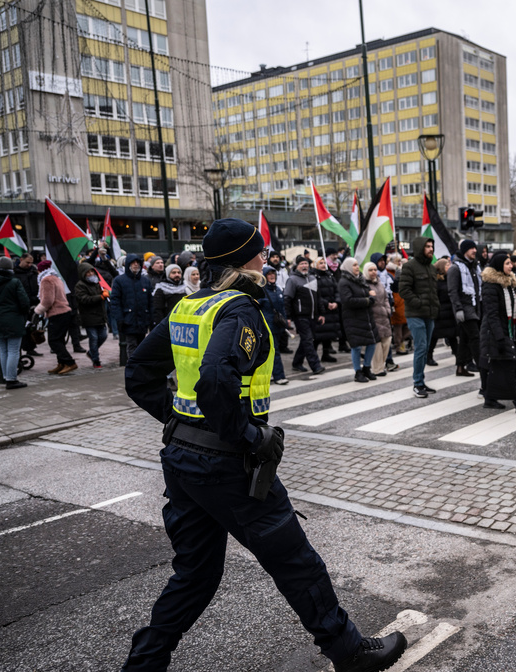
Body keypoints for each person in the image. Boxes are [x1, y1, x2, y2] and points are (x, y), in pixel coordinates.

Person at [121, 219, 406, 671]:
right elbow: (215, 379)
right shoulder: (239, 310)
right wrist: (248, 435)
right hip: (227, 463)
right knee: (295, 560)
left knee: (195, 574)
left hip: (182, 458)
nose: (265, 256)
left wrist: (180, 422)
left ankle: (144, 663)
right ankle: (349, 652)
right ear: (243, 260)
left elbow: (138, 375)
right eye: (259, 250)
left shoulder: (189, 308)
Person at [479, 253, 516, 413]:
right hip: (496, 332)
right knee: (506, 366)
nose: (511, 266)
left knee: (505, 365)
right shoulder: (491, 285)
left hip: (509, 329)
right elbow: (492, 315)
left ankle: (490, 399)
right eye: (507, 263)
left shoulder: (508, 283)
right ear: (498, 266)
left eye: (511, 263)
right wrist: (500, 337)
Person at [397, 236, 440, 398]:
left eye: (432, 246)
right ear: (420, 248)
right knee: (421, 348)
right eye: (428, 246)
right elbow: (404, 290)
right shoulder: (409, 267)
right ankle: (417, 383)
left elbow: (433, 291)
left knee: (425, 348)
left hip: (429, 314)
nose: (431, 249)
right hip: (415, 313)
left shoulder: (430, 267)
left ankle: (421, 381)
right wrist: (419, 302)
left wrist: (435, 306)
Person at [0, 256, 30, 388]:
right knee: (13, 350)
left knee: (3, 351)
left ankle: (5, 378)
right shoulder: (14, 282)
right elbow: (24, 302)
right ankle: (11, 379)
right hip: (14, 319)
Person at [337, 257, 379, 383]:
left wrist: (370, 295)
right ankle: (357, 372)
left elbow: (367, 292)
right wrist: (367, 300)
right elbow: (348, 301)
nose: (357, 267)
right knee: (356, 346)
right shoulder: (344, 282)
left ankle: (367, 368)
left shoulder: (360, 279)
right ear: (349, 267)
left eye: (357, 265)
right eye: (354, 265)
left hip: (366, 316)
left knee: (372, 342)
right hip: (353, 318)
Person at [284, 256, 325, 375]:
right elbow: (287, 298)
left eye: (306, 264)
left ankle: (297, 363)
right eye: (302, 264)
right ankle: (315, 365)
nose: (304, 266)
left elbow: (318, 297)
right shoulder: (292, 280)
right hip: (300, 316)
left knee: (306, 340)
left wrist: (321, 313)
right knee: (308, 340)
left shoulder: (312, 278)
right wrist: (288, 317)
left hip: (313, 315)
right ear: (297, 266)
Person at [35, 260, 77, 375]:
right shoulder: (56, 278)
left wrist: (37, 310)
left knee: (54, 341)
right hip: (64, 312)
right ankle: (61, 363)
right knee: (60, 340)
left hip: (57, 312)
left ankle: (69, 362)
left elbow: (48, 300)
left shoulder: (46, 280)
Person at [109, 254, 154, 365]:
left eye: (137, 263)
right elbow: (115, 301)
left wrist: (151, 318)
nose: (135, 265)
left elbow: (150, 301)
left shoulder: (145, 281)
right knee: (132, 345)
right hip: (128, 319)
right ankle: (134, 367)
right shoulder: (120, 281)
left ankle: (139, 366)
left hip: (142, 319)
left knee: (141, 345)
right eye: (133, 263)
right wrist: (120, 319)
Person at [447, 239, 482, 377]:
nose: (475, 250)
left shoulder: (474, 266)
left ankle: (460, 367)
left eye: (475, 248)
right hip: (465, 308)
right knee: (475, 337)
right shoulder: (456, 268)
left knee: (465, 338)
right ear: (464, 251)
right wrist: (458, 309)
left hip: (474, 307)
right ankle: (482, 365)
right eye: (471, 248)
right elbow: (452, 291)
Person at [73, 262, 109, 369]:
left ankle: (92, 352)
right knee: (93, 338)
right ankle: (96, 360)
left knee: (103, 336)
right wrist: (100, 297)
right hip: (89, 317)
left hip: (100, 315)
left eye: (91, 271)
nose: (90, 274)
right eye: (87, 272)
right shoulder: (80, 285)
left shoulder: (97, 283)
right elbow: (84, 299)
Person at [261, 265, 290, 385]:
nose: (272, 276)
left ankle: (270, 374)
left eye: (274, 273)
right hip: (268, 326)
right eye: (269, 274)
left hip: (278, 325)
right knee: (274, 351)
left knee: (269, 352)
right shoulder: (261, 291)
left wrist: (286, 321)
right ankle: (279, 376)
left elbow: (282, 308)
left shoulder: (277, 289)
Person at [364, 262, 393, 378]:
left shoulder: (379, 283)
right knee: (377, 344)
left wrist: (387, 309)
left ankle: (381, 364)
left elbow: (385, 297)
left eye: (375, 270)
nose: (373, 272)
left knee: (387, 341)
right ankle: (377, 368)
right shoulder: (364, 284)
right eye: (370, 270)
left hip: (384, 317)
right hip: (373, 317)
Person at [313, 257, 341, 363]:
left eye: (324, 263)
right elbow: (316, 294)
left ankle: (326, 353)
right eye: (320, 263)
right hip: (322, 309)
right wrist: (326, 303)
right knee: (318, 335)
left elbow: (336, 290)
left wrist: (336, 302)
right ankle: (314, 356)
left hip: (332, 310)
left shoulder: (330, 276)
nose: (323, 265)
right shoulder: (314, 277)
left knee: (328, 334)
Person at [429, 257, 457, 366]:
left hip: (449, 312)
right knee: (434, 336)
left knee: (452, 335)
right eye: (446, 265)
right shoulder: (436, 281)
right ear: (441, 267)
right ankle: (429, 355)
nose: (449, 267)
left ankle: (458, 357)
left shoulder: (449, 278)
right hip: (440, 313)